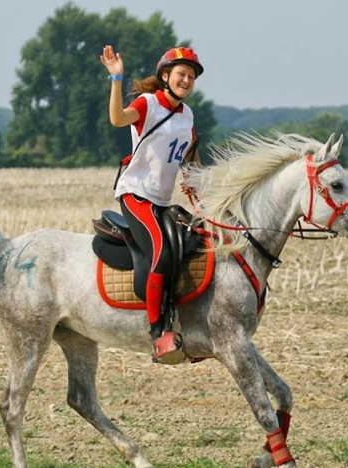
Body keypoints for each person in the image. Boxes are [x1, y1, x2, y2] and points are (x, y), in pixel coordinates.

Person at [100, 44, 203, 363]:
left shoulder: (188, 116)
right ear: (165, 76)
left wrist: (201, 199)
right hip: (136, 194)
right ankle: (158, 333)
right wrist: (117, 79)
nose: (186, 80)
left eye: (191, 76)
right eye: (181, 74)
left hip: (162, 201)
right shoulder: (148, 104)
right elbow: (117, 119)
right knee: (161, 250)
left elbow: (190, 162)